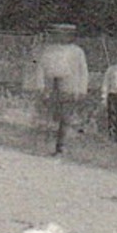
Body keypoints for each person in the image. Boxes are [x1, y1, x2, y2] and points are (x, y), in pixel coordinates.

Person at [28, 24, 89, 155]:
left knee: (65, 117)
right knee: (49, 116)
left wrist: (82, 89)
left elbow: (83, 71)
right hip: (51, 86)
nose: (61, 37)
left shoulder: (77, 51)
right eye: (58, 34)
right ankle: (44, 145)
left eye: (65, 34)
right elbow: (40, 69)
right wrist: (40, 87)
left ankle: (60, 147)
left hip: (69, 86)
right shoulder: (49, 50)